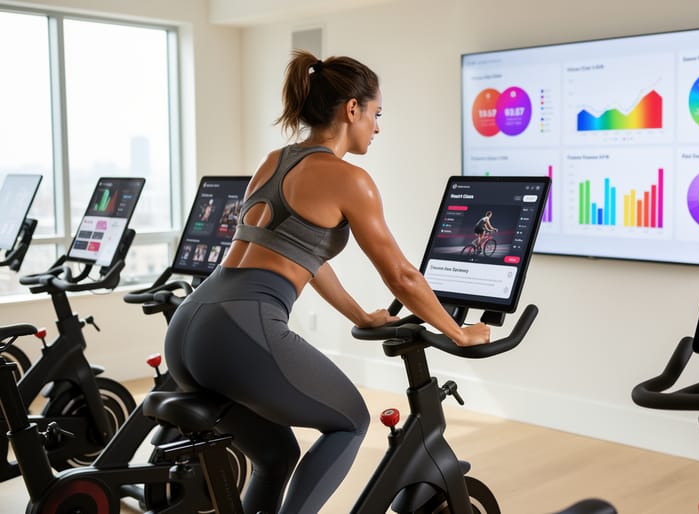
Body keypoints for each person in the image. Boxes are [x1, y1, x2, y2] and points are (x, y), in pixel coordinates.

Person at [163, 50, 491, 514]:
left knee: (276, 457)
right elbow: (401, 274)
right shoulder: (349, 180)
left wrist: (360, 315)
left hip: (190, 326)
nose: (377, 127)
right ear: (351, 109)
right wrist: (457, 332)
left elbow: (304, 255)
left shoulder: (274, 161)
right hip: (241, 327)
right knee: (351, 421)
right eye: (376, 114)